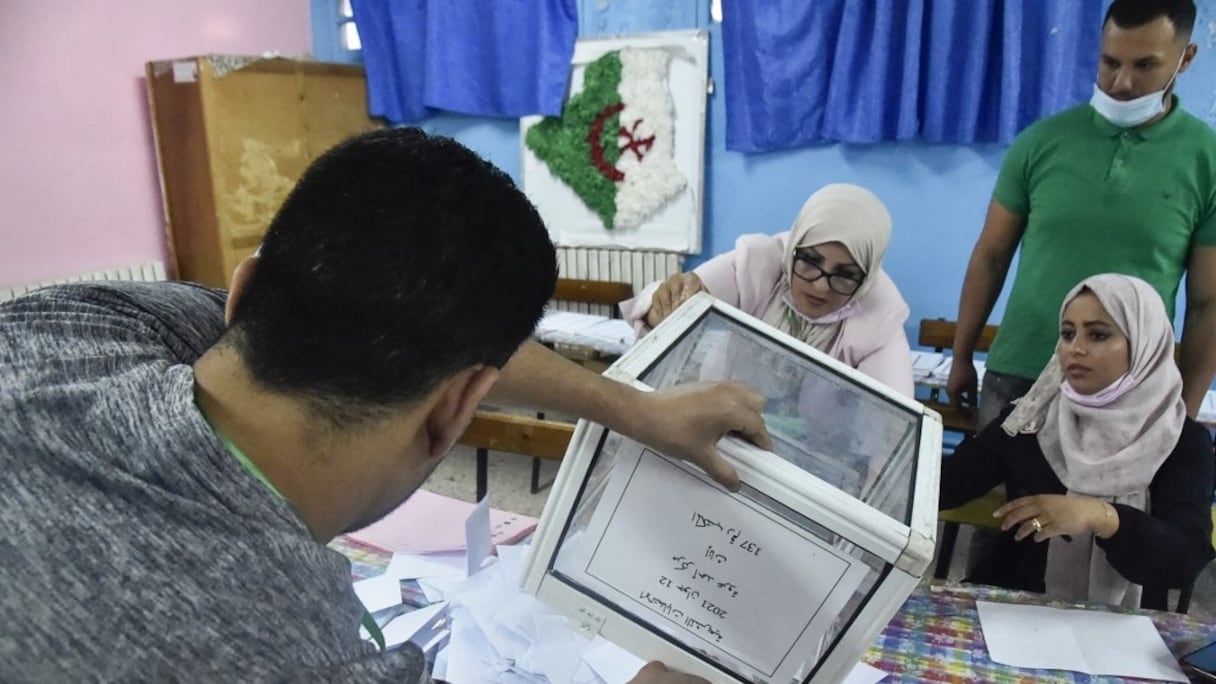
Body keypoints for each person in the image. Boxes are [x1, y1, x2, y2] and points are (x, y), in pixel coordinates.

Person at [0, 128, 771, 682]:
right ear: (457, 408)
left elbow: (441, 341)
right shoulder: (306, 656)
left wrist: (637, 409)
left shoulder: (68, 327)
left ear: (238, 296)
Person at [947, 0, 1216, 430]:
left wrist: (1184, 408)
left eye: (1145, 65)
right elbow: (991, 256)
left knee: (1104, 502)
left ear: (1186, 59)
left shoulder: (1208, 162)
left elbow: (1207, 304)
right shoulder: (1041, 142)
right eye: (1110, 62)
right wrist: (962, 355)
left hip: (1130, 390)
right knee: (1003, 499)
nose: (1122, 82)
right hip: (1020, 373)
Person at [940, 274, 1215, 608]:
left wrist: (1101, 517)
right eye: (1068, 334)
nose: (1076, 348)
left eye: (1098, 335)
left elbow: (1184, 559)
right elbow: (948, 483)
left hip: (1120, 625)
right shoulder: (1030, 418)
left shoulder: (1181, 441)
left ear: (1145, 344)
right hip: (1012, 604)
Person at [621, 183, 914, 397]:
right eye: (810, 262)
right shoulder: (759, 263)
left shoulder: (881, 319)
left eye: (845, 276)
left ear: (865, 280)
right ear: (793, 250)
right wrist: (663, 307)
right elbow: (673, 296)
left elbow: (892, 424)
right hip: (716, 415)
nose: (821, 285)